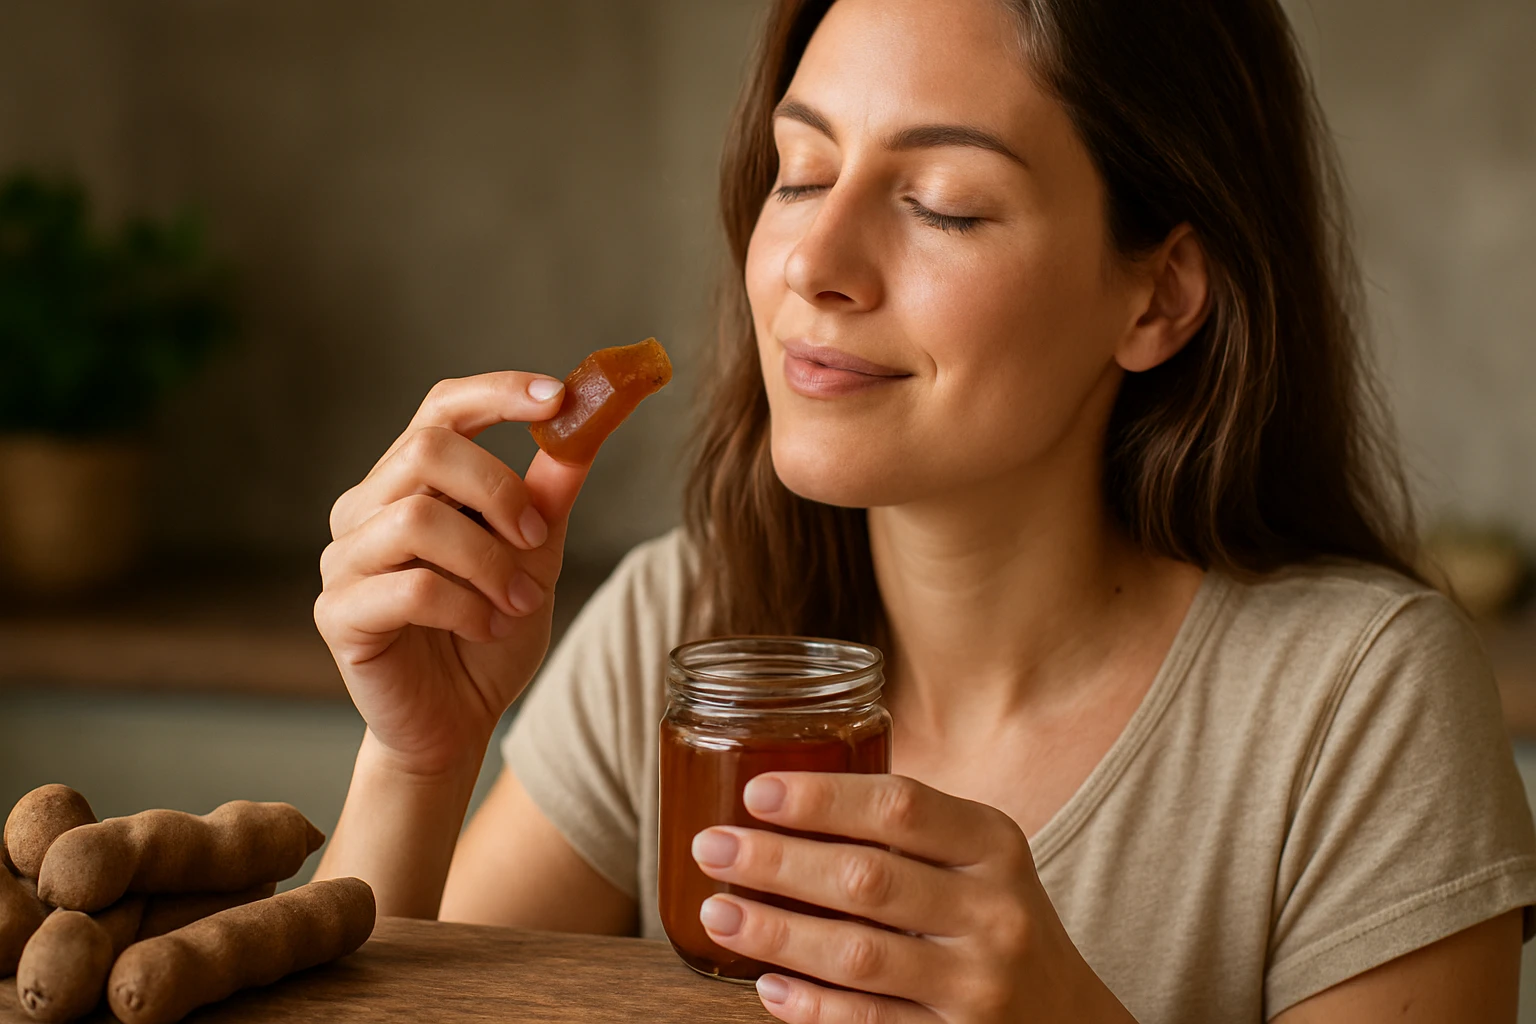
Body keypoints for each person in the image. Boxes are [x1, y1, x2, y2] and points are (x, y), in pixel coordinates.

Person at [311, 0, 1536, 1020]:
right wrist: (421, 761)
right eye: (799, 174)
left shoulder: (1357, 704)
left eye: (943, 201)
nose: (811, 261)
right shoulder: (677, 625)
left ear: (1159, 296)